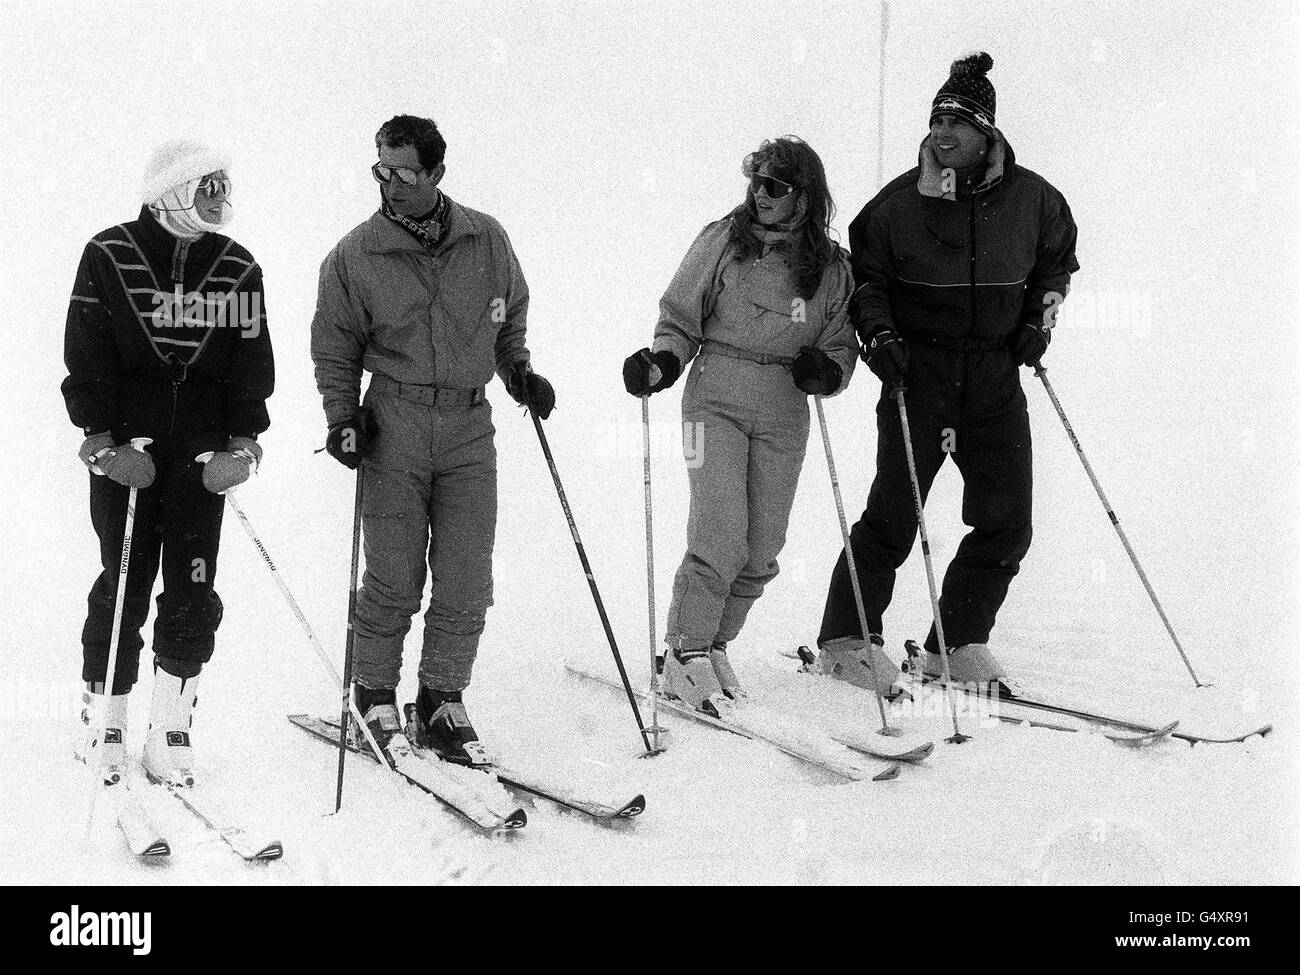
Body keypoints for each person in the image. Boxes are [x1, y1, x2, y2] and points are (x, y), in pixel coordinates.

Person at [815, 53, 1079, 691]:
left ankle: (956, 643)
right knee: (894, 515)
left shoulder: (1035, 201)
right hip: (919, 373)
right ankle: (846, 639)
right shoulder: (896, 206)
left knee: (1006, 520)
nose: (942, 134)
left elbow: (1056, 268)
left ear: (988, 133)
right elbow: (865, 281)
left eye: (957, 123)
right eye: (936, 120)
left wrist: (1039, 322)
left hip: (993, 376)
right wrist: (878, 335)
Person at [311, 114, 553, 765]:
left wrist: (520, 370)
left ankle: (442, 698)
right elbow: (337, 345)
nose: (389, 184)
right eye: (380, 170)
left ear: (437, 173)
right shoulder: (356, 256)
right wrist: (342, 417)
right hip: (393, 421)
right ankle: (374, 696)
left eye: (404, 173)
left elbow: (507, 313)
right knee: (393, 576)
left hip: (469, 426)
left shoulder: (486, 240)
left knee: (468, 576)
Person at [64, 139, 274, 786]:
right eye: (206, 185)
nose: (219, 198)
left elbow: (249, 359)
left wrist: (242, 446)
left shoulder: (237, 268)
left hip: (200, 453)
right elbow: (88, 351)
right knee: (122, 580)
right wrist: (103, 443)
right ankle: (105, 714)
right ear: (172, 190)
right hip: (132, 447)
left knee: (192, 583)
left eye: (223, 184)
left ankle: (170, 722)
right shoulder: (109, 255)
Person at [624, 136, 857, 712]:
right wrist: (662, 361)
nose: (760, 193)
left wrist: (824, 370)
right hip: (717, 396)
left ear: (805, 198)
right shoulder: (724, 242)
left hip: (783, 407)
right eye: (755, 180)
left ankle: (713, 643)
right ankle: (685, 651)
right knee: (720, 532)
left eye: (775, 185)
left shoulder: (829, 268)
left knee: (762, 548)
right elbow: (680, 314)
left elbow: (841, 343)